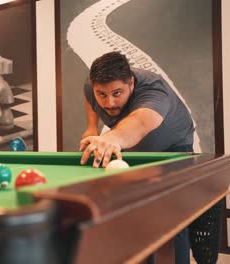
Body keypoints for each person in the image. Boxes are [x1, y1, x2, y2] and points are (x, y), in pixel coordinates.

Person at [79, 51, 219, 264]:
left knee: (172, 217)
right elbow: (90, 98)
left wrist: (112, 137)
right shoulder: (92, 86)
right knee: (136, 210)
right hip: (130, 146)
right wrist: (91, 127)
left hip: (173, 147)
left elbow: (140, 123)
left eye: (117, 93)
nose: (109, 103)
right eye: (102, 94)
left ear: (131, 83)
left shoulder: (154, 90)